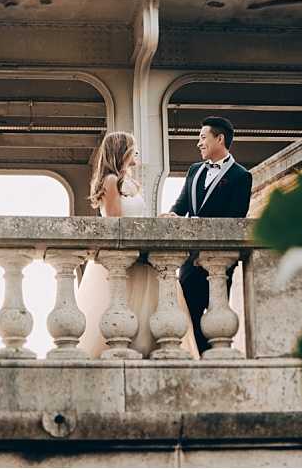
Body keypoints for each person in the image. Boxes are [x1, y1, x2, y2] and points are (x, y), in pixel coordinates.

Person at [77, 131, 190, 358]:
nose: (136, 152)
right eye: (132, 147)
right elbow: (116, 220)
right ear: (122, 152)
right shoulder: (110, 181)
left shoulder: (130, 182)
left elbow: (137, 219)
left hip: (141, 255)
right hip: (124, 257)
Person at [162, 116, 252, 356]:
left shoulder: (241, 177)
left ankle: (206, 358)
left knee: (214, 316)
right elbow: (182, 204)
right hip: (189, 260)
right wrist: (172, 215)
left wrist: (198, 224)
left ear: (219, 139)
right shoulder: (194, 170)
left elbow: (235, 219)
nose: (198, 143)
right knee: (187, 313)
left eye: (203, 137)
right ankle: (198, 357)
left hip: (217, 263)